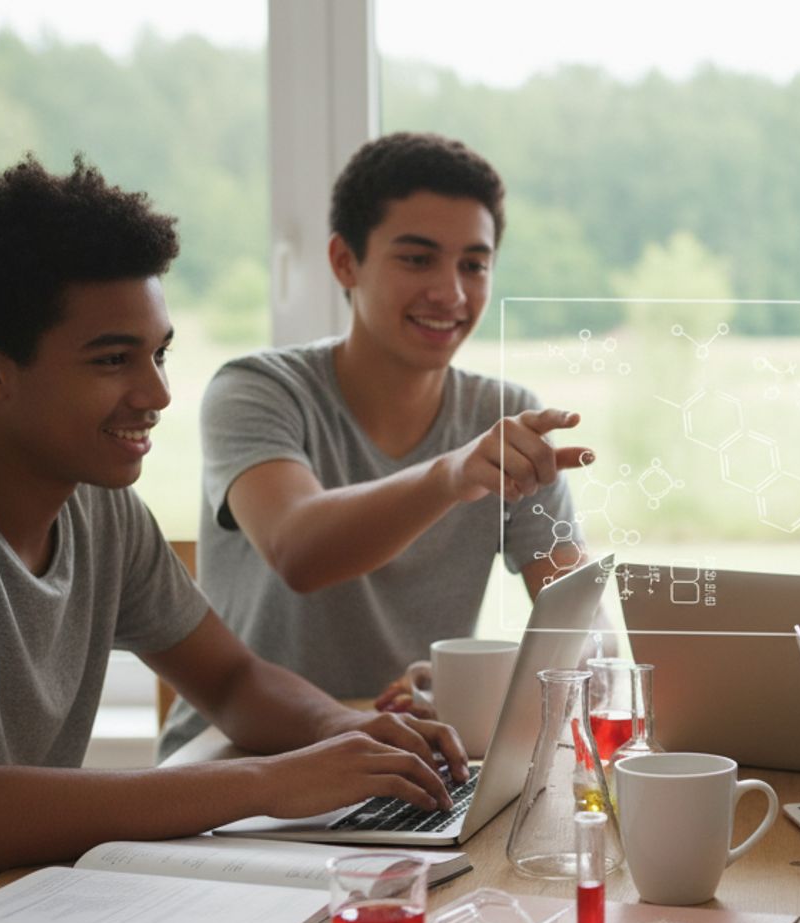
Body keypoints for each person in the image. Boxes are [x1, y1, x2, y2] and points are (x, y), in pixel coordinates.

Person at [0, 156, 468, 919]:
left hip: (10, 910)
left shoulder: (97, 506)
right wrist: (271, 784)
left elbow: (232, 681)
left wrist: (350, 733)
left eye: (159, 352)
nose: (159, 393)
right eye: (113, 359)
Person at [160, 132, 586, 759]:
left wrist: (475, 687)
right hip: (240, 758)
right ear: (344, 262)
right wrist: (451, 475)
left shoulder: (501, 415)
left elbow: (577, 620)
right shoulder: (255, 391)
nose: (451, 292)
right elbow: (298, 550)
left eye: (474, 264)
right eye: (418, 260)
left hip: (409, 755)